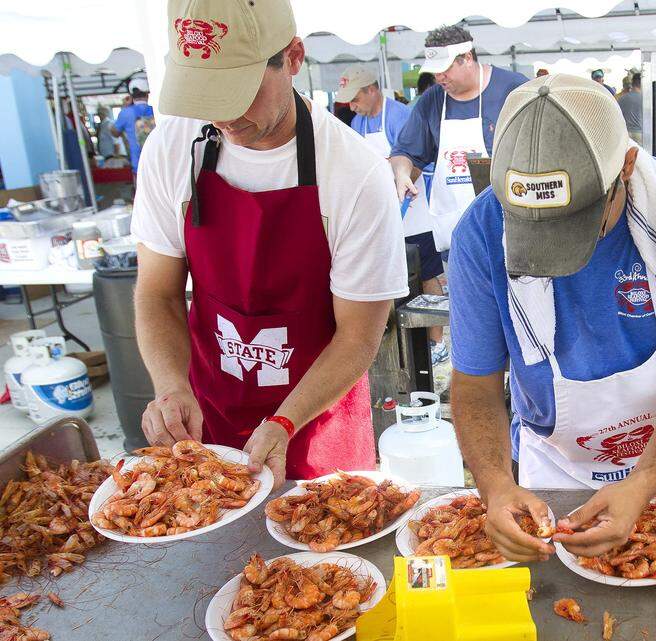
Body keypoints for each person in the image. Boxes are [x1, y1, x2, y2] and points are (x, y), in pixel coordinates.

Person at [449, 74, 656, 563]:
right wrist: (497, 486)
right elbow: (475, 386)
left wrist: (644, 484)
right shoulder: (479, 234)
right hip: (556, 468)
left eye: (575, 225)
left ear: (627, 166)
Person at [132, 0, 408, 488]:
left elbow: (359, 337)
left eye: (239, 91)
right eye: (205, 93)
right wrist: (172, 386)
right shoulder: (171, 147)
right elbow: (157, 291)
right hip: (210, 416)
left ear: (294, 57)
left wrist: (284, 421)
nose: (223, 115)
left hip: (318, 425)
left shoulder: (355, 173)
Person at [337, 64, 448, 362]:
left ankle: (437, 343)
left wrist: (394, 179)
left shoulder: (400, 116)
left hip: (415, 210)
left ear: (373, 89)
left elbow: (416, 161)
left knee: (427, 275)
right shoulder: (358, 122)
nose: (352, 105)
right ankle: (401, 348)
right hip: (385, 214)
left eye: (356, 97)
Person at [390, 25, 527, 256]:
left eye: (445, 69)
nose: (438, 77)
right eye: (434, 71)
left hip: (510, 231)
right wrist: (402, 173)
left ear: (467, 58)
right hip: (455, 232)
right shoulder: (432, 101)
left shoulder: (513, 89)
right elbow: (405, 152)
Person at [111, 86, 155, 173]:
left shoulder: (126, 112)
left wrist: (124, 106)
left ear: (131, 97)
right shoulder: (156, 110)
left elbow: (115, 132)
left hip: (138, 161)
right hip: (158, 158)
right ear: (147, 95)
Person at [617, 72, 643, 145]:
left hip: (625, 134)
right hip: (639, 133)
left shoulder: (621, 98)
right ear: (641, 84)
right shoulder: (644, 100)